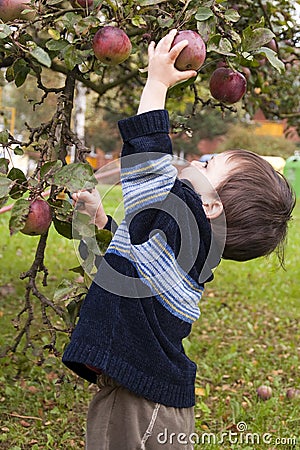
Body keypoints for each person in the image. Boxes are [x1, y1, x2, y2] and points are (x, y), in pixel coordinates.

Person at [63, 30, 295, 449]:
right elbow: (140, 269)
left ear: (208, 208)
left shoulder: (187, 221)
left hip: (139, 405)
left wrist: (157, 83)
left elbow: (149, 163)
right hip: (158, 405)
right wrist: (101, 222)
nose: (193, 163)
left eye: (207, 164)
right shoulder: (187, 252)